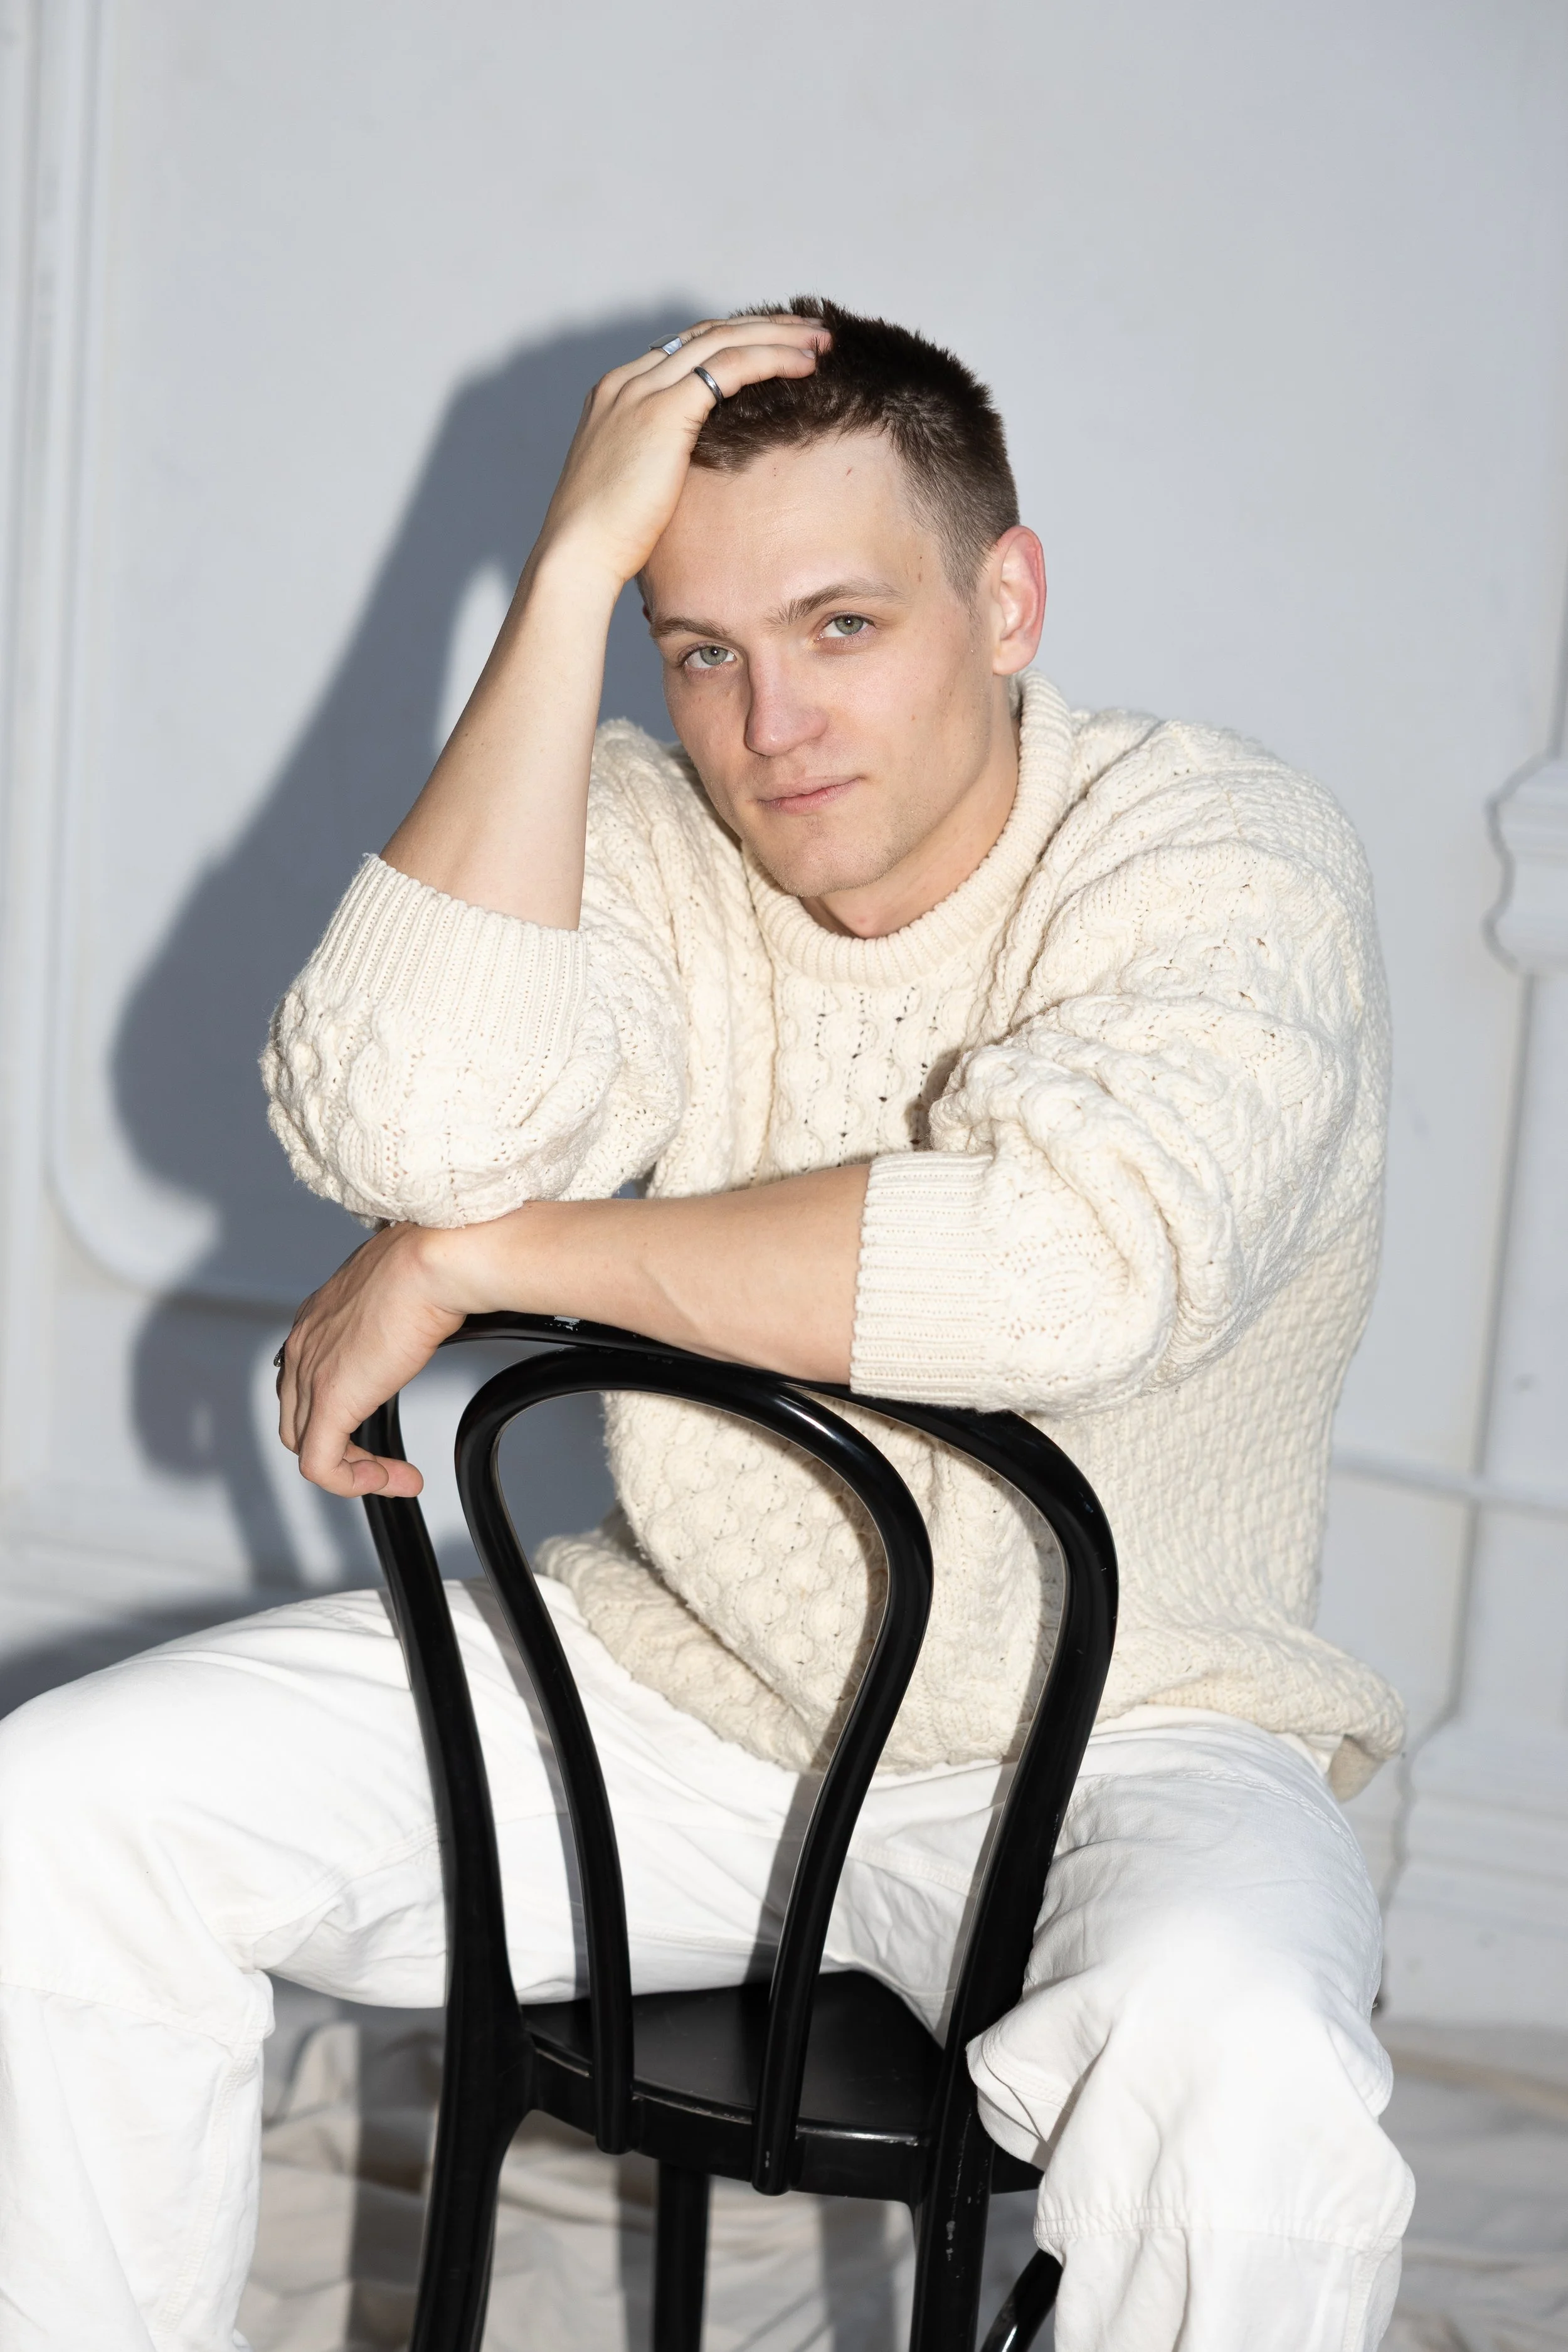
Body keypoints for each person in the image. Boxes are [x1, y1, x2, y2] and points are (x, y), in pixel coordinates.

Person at [0, 300, 1414, 2349]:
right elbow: (392, 1120)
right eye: (698, 649)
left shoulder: (1217, 855)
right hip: (693, 1699)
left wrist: (492, 1257)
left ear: (1004, 601)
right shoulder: (658, 837)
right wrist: (564, 577)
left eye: (842, 625)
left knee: (1253, 2078)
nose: (770, 726)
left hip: (1130, 1729)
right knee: (64, 1807)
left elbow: (1056, 1268)